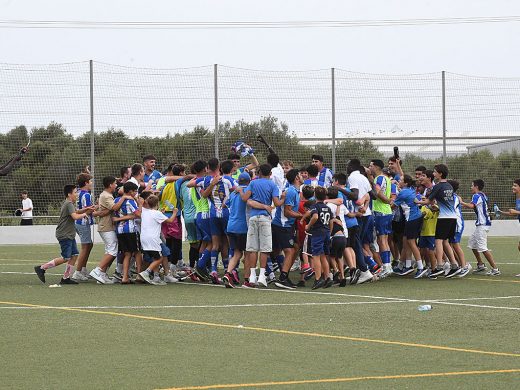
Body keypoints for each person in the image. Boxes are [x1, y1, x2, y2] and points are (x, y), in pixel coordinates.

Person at [416, 164, 469, 278]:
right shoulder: (449, 186)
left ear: (440, 174)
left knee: (438, 241)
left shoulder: (438, 186)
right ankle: (454, 265)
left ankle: (439, 266)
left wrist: (416, 201)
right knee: (445, 242)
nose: (433, 174)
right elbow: (438, 202)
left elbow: (429, 201)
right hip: (452, 218)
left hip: (443, 218)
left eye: (435, 172)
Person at [34, 185, 95, 285]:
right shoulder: (68, 204)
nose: (77, 194)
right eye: (75, 192)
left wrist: (86, 209)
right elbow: (75, 216)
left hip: (69, 234)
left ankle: (66, 278)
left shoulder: (69, 203)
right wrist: (85, 214)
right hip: (64, 234)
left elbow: (75, 212)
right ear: (69, 194)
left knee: (74, 255)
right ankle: (42, 268)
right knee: (66, 257)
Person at [238, 163, 283, 287]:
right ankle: (262, 275)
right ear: (270, 174)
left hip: (253, 217)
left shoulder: (253, 183)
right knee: (265, 248)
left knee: (252, 248)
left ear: (259, 173)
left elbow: (245, 198)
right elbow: (277, 203)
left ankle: (252, 276)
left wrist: (241, 191)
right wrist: (283, 198)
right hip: (265, 218)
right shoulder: (273, 185)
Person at [89, 176, 128, 284]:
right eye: (115, 183)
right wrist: (124, 198)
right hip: (106, 227)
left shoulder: (106, 195)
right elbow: (114, 207)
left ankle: (102, 274)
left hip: (107, 226)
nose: (116, 185)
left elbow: (107, 210)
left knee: (110, 250)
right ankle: (98, 270)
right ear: (110, 184)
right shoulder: (106, 196)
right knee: (112, 250)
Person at [460, 179, 499, 275]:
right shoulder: (482, 195)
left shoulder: (476, 195)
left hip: (482, 225)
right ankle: (480, 265)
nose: (471, 187)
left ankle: (495, 269)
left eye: (472, 185)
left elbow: (471, 206)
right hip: (481, 224)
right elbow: (474, 206)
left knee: (482, 247)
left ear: (476, 187)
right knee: (472, 244)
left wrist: (461, 202)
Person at [272, 168, 303, 289]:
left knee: (295, 247)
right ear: (296, 177)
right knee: (289, 251)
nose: (302, 176)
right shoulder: (291, 191)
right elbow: (287, 212)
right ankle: (283, 277)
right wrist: (302, 216)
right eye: (300, 174)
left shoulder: (295, 191)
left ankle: (283, 273)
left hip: (288, 226)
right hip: (282, 225)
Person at [138, 195, 179, 285]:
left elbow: (145, 211)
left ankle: (156, 277)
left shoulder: (145, 212)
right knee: (159, 258)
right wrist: (175, 213)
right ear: (157, 204)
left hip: (144, 238)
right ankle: (146, 272)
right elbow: (170, 220)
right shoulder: (157, 214)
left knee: (155, 256)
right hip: (153, 239)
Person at [391, 175, 426, 278]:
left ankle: (420, 268)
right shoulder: (410, 189)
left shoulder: (403, 192)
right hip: (415, 218)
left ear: (405, 183)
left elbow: (393, 206)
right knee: (406, 241)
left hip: (412, 219)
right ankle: (405, 265)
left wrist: (385, 201)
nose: (398, 181)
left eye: (400, 180)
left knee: (411, 242)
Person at [222, 172, 251, 288]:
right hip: (243, 227)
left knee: (237, 253)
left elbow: (224, 204)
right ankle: (247, 279)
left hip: (231, 226)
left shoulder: (234, 193)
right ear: (249, 181)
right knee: (248, 253)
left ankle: (228, 273)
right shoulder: (248, 192)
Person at [305, 186, 333, 289]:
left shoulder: (315, 206)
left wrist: (308, 226)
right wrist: (329, 231)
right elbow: (331, 221)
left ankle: (318, 279)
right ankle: (327, 277)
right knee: (323, 256)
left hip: (318, 233)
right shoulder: (328, 208)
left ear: (315, 195)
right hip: (326, 232)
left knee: (315, 256)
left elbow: (315, 216)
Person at [71, 173, 95, 281]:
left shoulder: (78, 193)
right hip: (83, 222)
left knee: (89, 245)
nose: (91, 183)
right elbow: (87, 209)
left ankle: (83, 269)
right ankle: (78, 272)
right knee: (85, 247)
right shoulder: (86, 194)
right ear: (86, 183)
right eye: (90, 181)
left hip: (78, 222)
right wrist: (97, 208)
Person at [500, 178, 520, 276]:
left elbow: (516, 212)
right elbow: (515, 213)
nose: (513, 187)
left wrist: (516, 211)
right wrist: (501, 212)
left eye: (515, 185)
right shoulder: (517, 198)